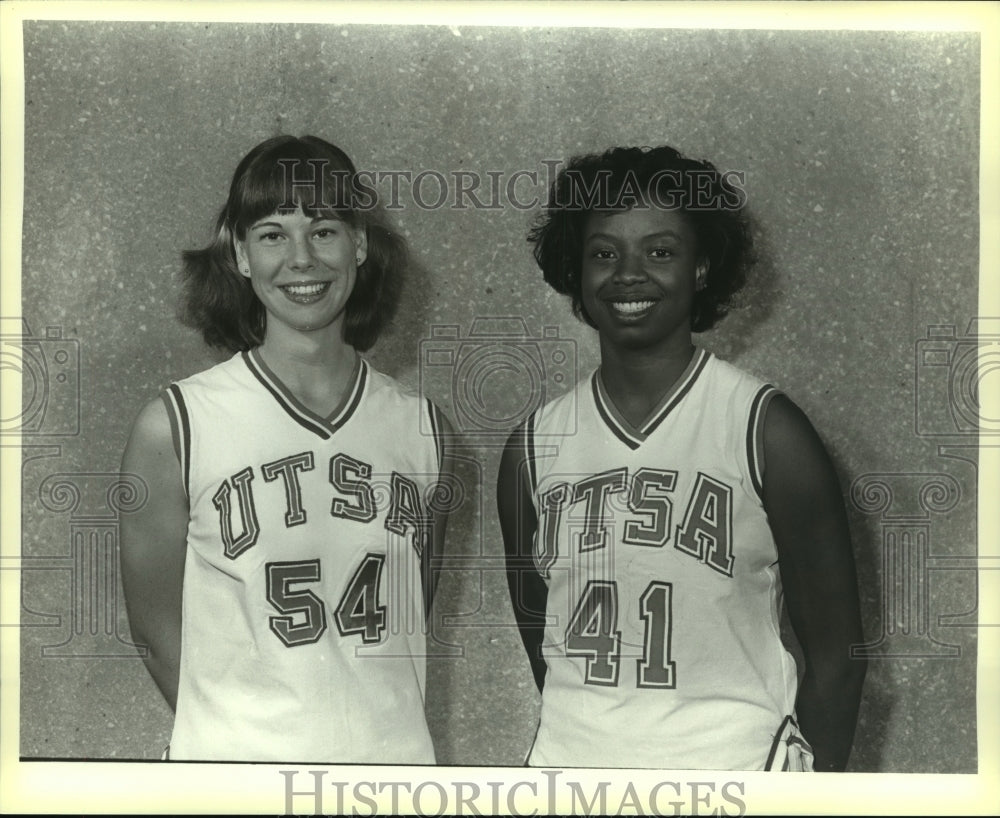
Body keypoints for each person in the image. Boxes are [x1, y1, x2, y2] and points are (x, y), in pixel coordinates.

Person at [497, 145, 866, 771]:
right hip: (570, 777)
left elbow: (838, 655)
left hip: (736, 774)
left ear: (701, 268)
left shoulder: (766, 428)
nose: (629, 274)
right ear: (577, 269)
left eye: (660, 251)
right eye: (604, 253)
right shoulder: (533, 446)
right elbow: (545, 648)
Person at [120, 135, 454, 763]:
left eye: (323, 230)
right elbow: (155, 634)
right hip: (234, 779)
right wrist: (236, 745)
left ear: (358, 244)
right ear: (240, 255)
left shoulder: (423, 429)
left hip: (393, 775)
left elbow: (411, 611)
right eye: (273, 234)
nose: (302, 259)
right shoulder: (176, 424)